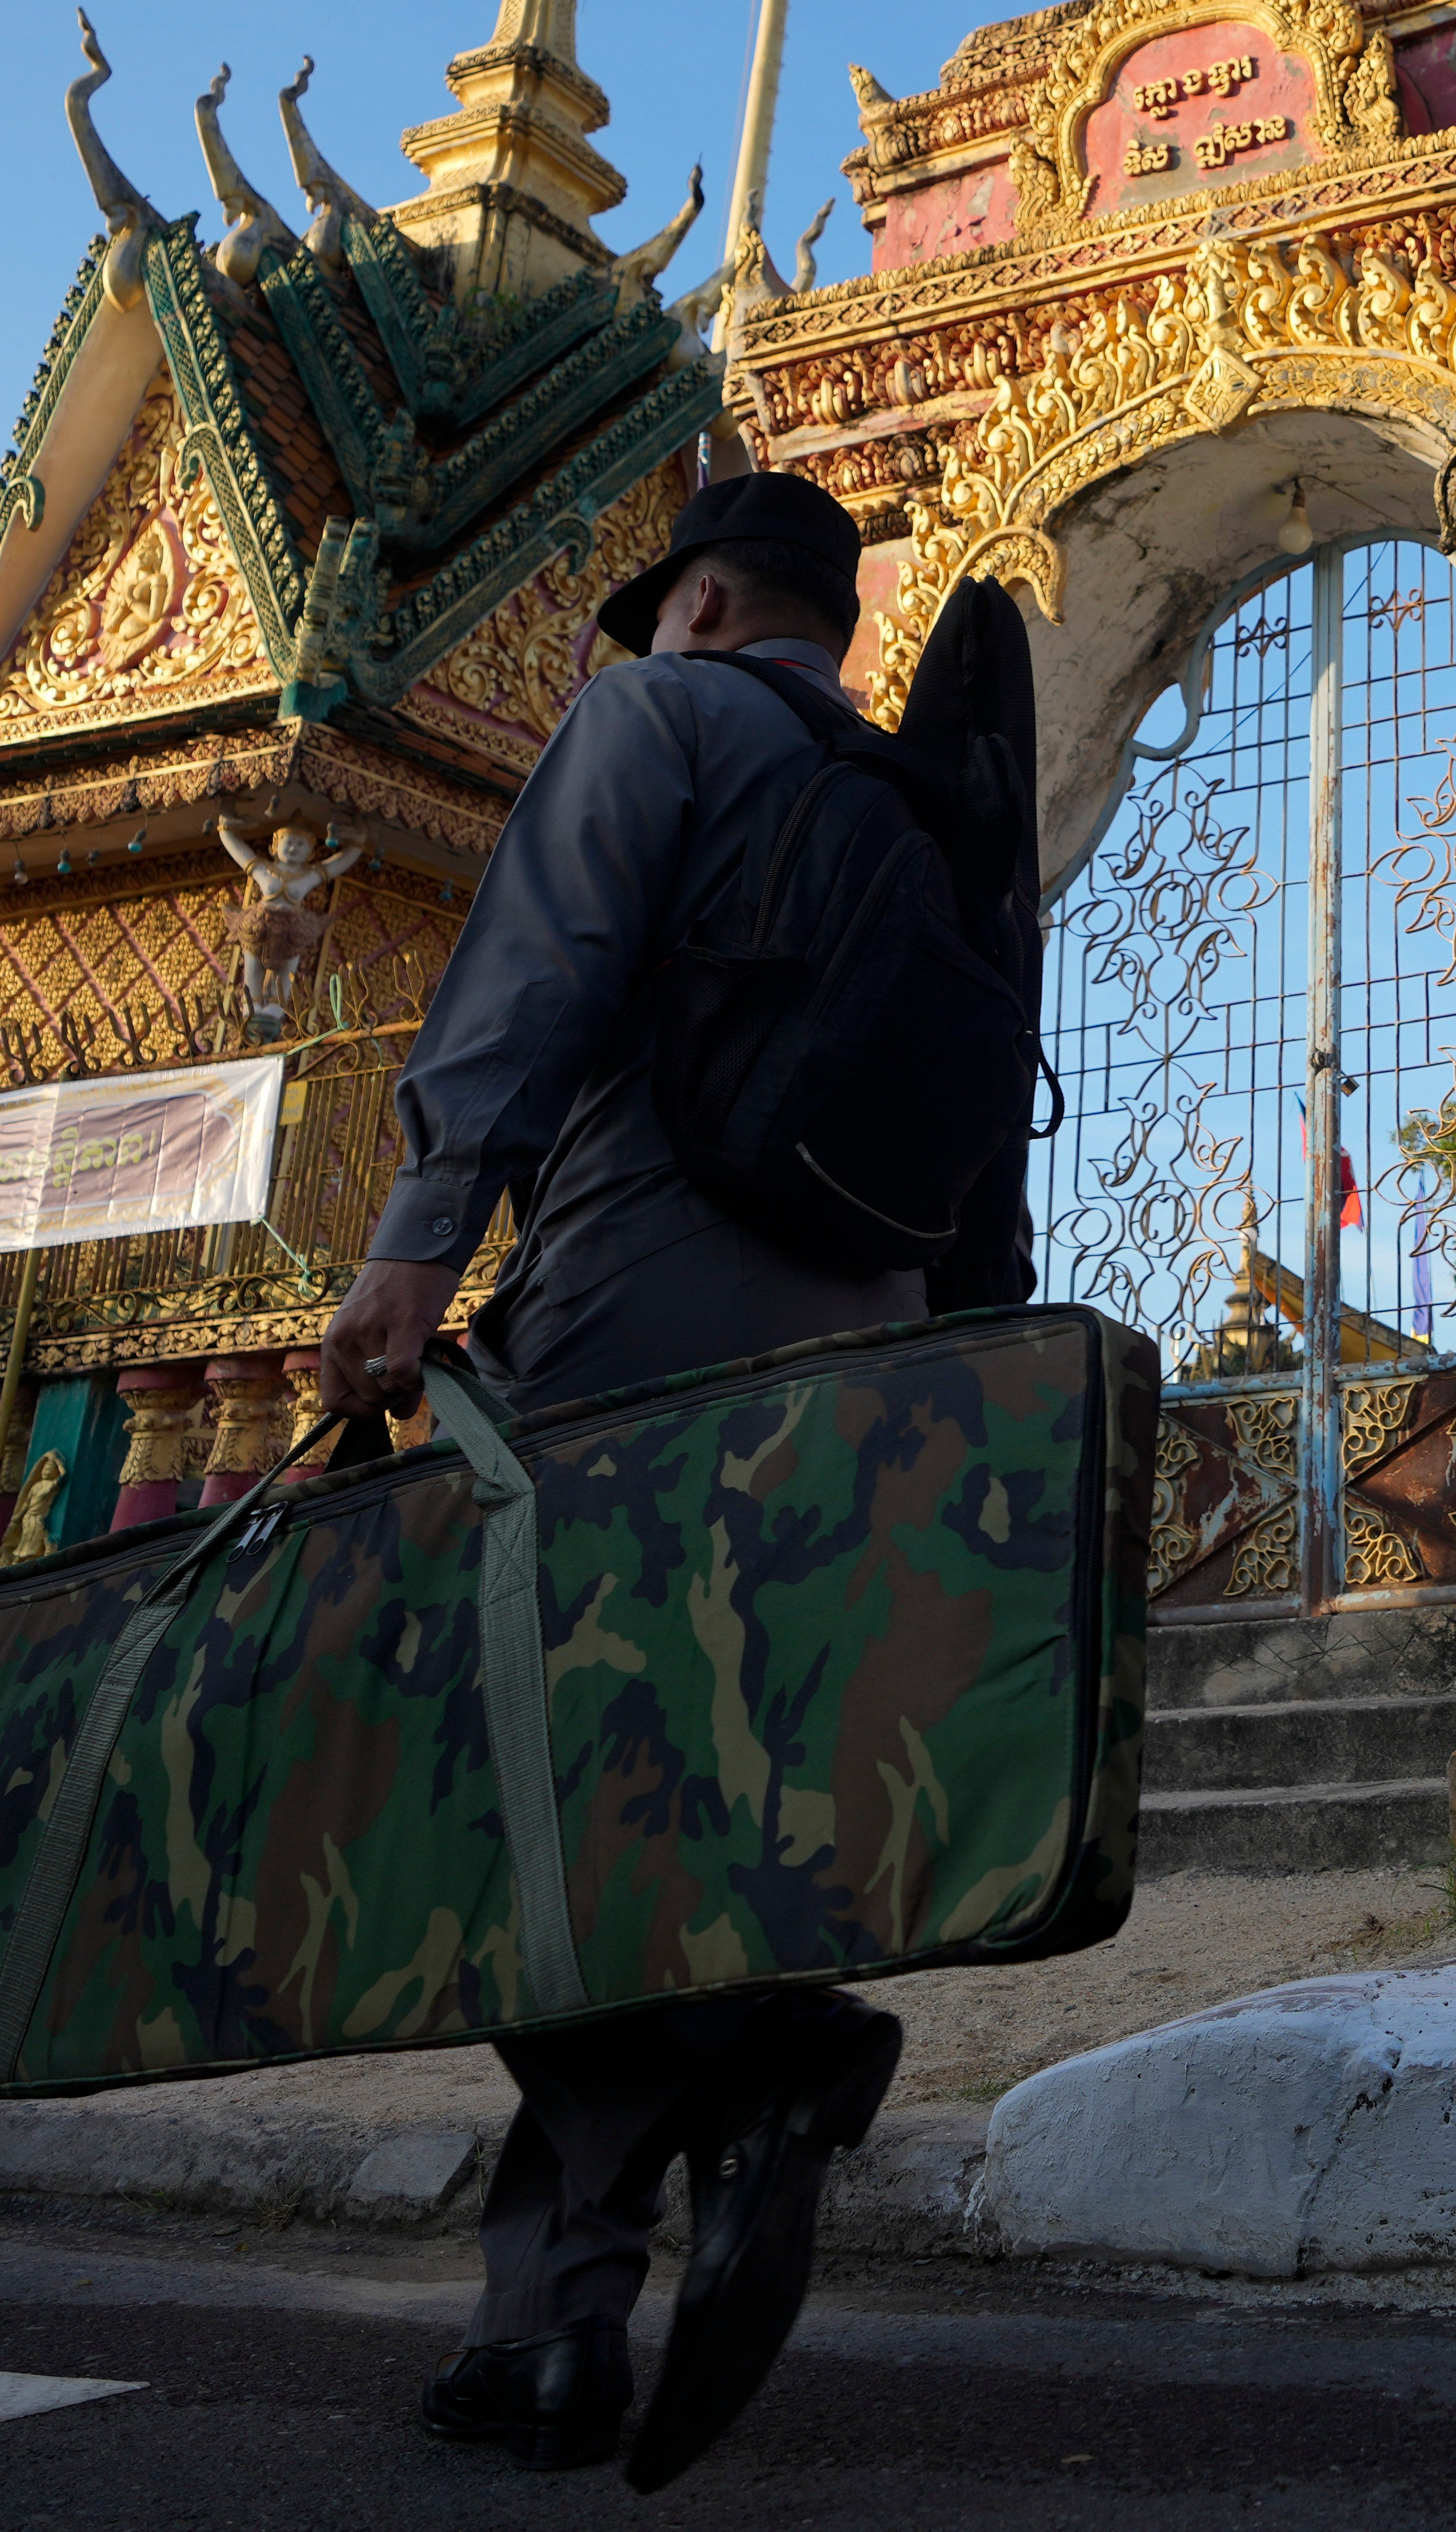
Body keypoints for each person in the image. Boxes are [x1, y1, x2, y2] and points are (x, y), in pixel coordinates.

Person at [314, 466, 944, 2489]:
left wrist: (420, 1242)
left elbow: (542, 965)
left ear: (694, 606)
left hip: (645, 1306)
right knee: (698, 1789)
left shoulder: (648, 718)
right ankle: (550, 2329)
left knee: (527, 1785)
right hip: (873, 1343)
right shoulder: (925, 797)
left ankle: (758, 2065)